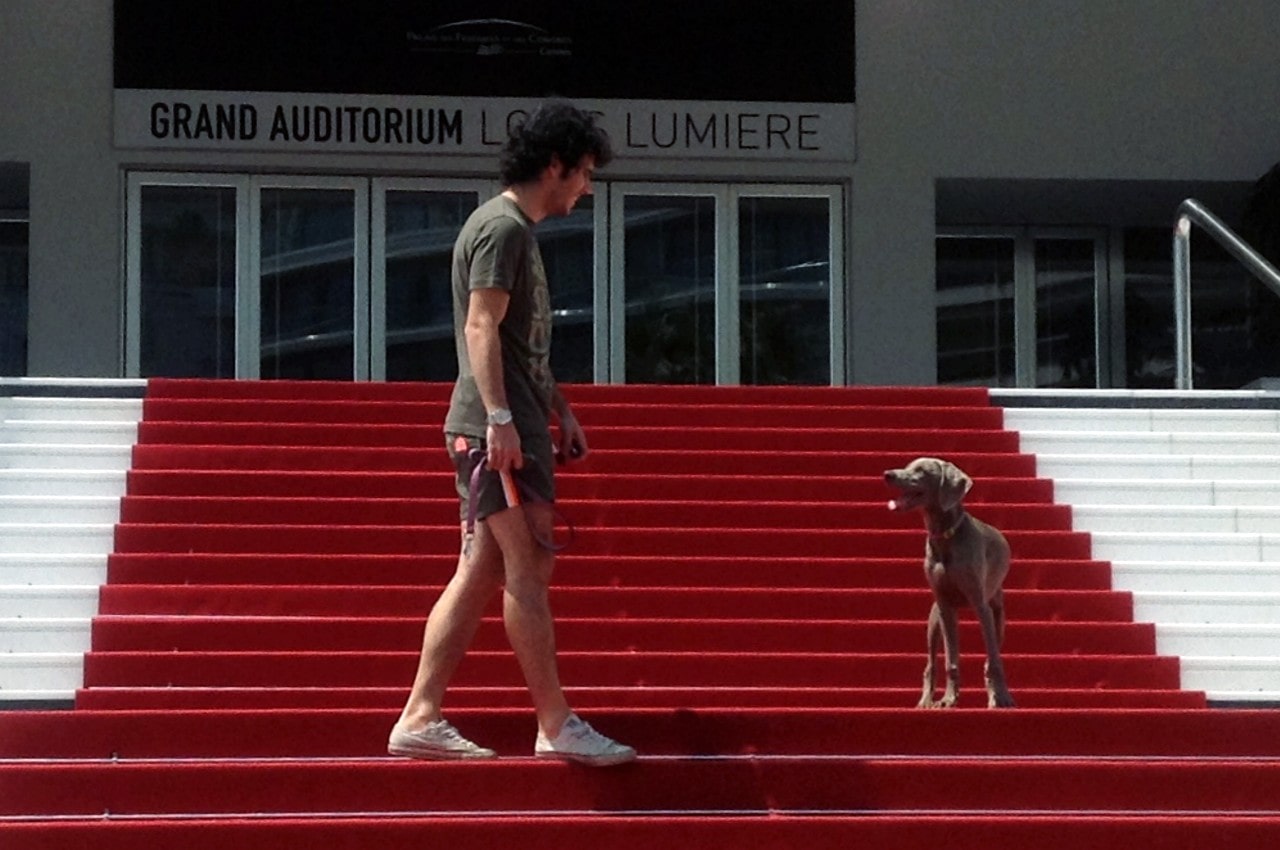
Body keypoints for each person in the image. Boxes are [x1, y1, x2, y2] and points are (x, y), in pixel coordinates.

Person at [387, 102, 636, 767]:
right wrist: (499, 420)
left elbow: (522, 346)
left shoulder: (509, 229)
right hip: (497, 431)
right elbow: (480, 327)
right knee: (528, 568)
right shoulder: (502, 229)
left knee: (481, 571)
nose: (587, 187)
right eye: (584, 173)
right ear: (554, 166)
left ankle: (420, 715)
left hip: (507, 423)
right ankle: (555, 722)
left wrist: (560, 409)